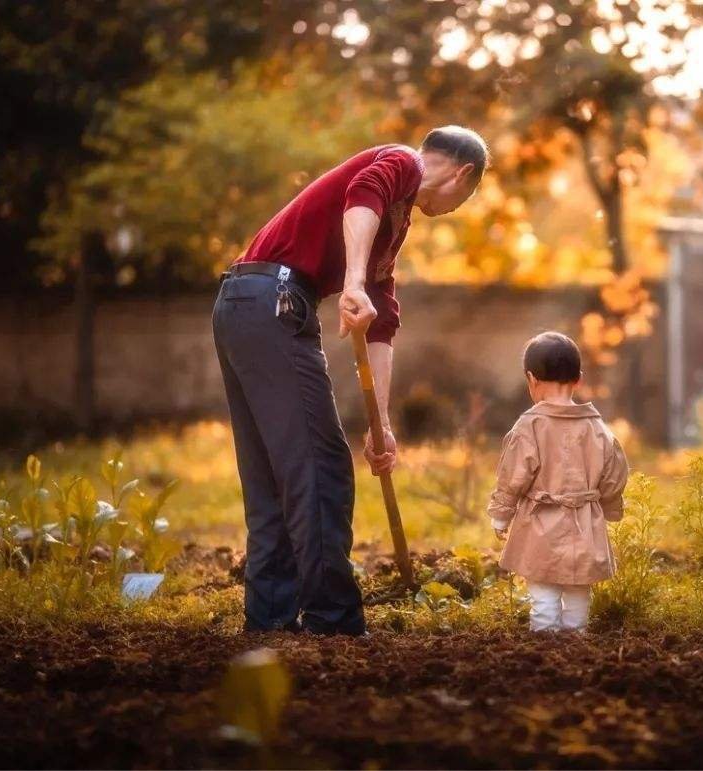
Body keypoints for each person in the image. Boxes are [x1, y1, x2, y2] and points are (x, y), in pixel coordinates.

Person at [212, 126, 489, 634]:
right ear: (463, 174)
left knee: (277, 474)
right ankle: (333, 621)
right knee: (321, 465)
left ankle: (271, 621)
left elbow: (382, 320)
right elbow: (365, 191)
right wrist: (353, 283)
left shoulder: (392, 226)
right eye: (464, 199)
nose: (455, 208)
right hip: (271, 301)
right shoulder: (404, 163)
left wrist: (381, 424)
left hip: (243, 304)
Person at [487, 331, 629, 632]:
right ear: (579, 379)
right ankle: (575, 643)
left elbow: (512, 477)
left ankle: (544, 646)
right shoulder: (599, 429)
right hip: (585, 525)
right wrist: (610, 508)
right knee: (579, 591)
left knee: (544, 592)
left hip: (540, 526)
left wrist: (501, 515)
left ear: (531, 379)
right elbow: (614, 476)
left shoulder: (530, 426)